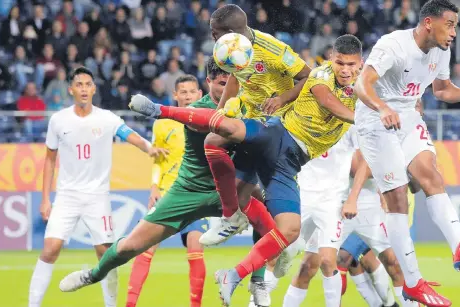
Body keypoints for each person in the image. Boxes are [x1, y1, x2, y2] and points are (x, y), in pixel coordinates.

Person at [126, 34, 362, 306]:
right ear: (332, 59)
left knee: (290, 229)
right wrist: (362, 117)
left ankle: (234, 275)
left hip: (290, 162)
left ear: (360, 64)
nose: (344, 70)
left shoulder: (361, 89)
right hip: (279, 134)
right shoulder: (324, 75)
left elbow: (307, 87)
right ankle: (159, 110)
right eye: (340, 63)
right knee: (221, 132)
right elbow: (322, 95)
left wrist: (285, 96)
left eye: (351, 65)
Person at [58, 60, 273, 306]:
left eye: (230, 84)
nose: (226, 89)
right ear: (209, 83)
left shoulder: (248, 106)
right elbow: (214, 125)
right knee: (131, 246)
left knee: (270, 214)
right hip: (188, 190)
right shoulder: (195, 111)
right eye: (220, 84)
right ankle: (94, 274)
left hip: (230, 189)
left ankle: (257, 281)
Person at [353, 0, 460, 305]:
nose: (454, 32)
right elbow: (362, 84)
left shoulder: (441, 50)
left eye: (456, 25)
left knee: (430, 174)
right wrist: (383, 107)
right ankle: (413, 283)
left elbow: (441, 89)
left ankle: (459, 248)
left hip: (408, 116)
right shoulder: (393, 45)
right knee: (398, 196)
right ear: (429, 22)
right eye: (450, 24)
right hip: (375, 119)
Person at [28, 67, 167, 307]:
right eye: (79, 84)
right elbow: (49, 160)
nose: (83, 89)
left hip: (97, 197)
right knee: (50, 249)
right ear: (71, 89)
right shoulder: (59, 120)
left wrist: (148, 147)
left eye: (87, 84)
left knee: (106, 255)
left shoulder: (106, 118)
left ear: (93, 89)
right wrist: (45, 198)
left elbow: (128, 133)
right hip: (67, 196)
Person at [199, 3, 311, 249]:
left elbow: (308, 76)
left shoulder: (271, 48)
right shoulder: (232, 51)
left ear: (230, 32)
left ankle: (232, 219)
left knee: (212, 143)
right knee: (239, 193)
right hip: (252, 116)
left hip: (277, 123)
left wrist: (281, 99)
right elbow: (234, 79)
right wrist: (219, 115)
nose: (212, 37)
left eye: (215, 32)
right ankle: (287, 244)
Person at [281, 126, 408, 307]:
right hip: (333, 204)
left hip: (367, 205)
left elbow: (368, 165)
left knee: (392, 262)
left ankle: (389, 304)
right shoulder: (326, 122)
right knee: (310, 266)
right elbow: (357, 165)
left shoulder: (364, 122)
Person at [125, 75, 207, 307]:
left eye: (192, 91)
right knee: (145, 247)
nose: (188, 96)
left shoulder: (208, 119)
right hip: (167, 193)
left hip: (195, 195)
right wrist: (153, 186)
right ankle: (130, 304)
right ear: (175, 95)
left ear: (200, 94)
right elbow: (158, 158)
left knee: (195, 246)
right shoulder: (162, 122)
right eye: (183, 92)